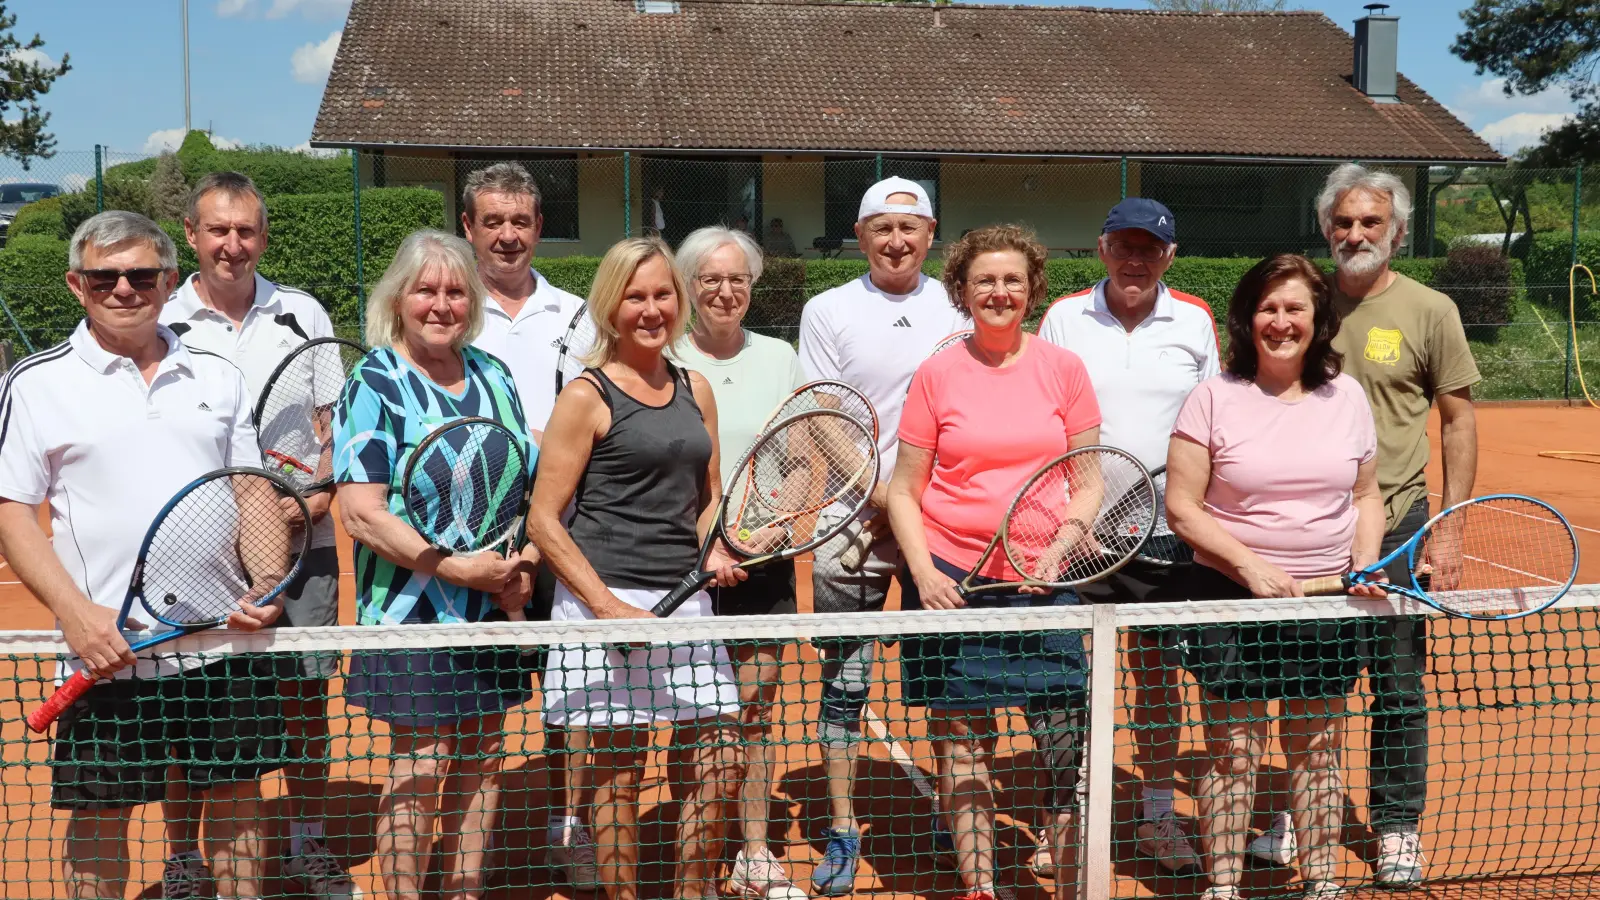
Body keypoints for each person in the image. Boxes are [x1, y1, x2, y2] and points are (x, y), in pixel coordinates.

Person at [0, 211, 283, 900]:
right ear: (77, 285)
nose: (124, 288)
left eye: (141, 275)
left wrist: (268, 580)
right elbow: (10, 510)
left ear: (165, 281)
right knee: (100, 816)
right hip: (107, 652)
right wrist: (75, 616)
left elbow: (249, 487)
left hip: (221, 643)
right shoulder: (38, 384)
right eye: (106, 276)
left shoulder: (217, 376)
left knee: (239, 804)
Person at [1242, 163, 1480, 885]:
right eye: (1343, 222)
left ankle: (1397, 825)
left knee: (1398, 684)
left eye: (1370, 222)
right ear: (1326, 229)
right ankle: (1298, 810)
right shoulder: (1304, 303)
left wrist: (1451, 527)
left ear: (1397, 232)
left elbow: (1459, 420)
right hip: (1310, 526)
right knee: (1307, 678)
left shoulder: (1430, 309)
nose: (1355, 234)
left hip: (1400, 521)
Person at [158, 170, 356, 900]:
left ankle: (307, 843)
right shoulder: (163, 317)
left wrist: (306, 507)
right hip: (200, 552)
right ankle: (184, 858)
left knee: (305, 700)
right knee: (191, 706)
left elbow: (335, 431)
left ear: (263, 238)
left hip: (305, 542)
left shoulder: (303, 312)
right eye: (218, 230)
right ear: (192, 236)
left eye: (246, 231)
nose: (232, 245)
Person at [886, 225, 1100, 900]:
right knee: (964, 747)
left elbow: (1089, 480)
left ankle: (1064, 887)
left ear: (1033, 288)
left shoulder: (1063, 370)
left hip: (1047, 584)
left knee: (1066, 750)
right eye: (985, 281)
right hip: (954, 580)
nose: (1000, 292)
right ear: (962, 290)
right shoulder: (937, 372)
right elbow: (905, 488)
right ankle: (980, 885)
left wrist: (1059, 550)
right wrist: (923, 573)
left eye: (1013, 280)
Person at [527, 237, 745, 900]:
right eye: (635, 296)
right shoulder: (586, 396)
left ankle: (687, 890)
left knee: (722, 757)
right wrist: (605, 605)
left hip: (684, 602)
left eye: (661, 295)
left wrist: (721, 546)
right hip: (604, 597)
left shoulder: (695, 387)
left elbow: (705, 500)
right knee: (617, 774)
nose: (651, 309)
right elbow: (544, 519)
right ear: (610, 305)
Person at [1165, 254, 1387, 900]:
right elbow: (1182, 506)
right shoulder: (1213, 397)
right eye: (1268, 308)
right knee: (1233, 749)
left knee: (1317, 748)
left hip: (1324, 602)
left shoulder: (1346, 396)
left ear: (1318, 321)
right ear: (1247, 318)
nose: (1281, 321)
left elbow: (1367, 495)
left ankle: (1322, 881)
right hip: (1232, 599)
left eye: (1295, 309)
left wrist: (1366, 558)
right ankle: (1224, 885)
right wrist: (1250, 566)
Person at [333, 229, 540, 900]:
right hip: (410, 613)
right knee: (421, 765)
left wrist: (523, 562)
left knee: (483, 761)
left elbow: (527, 487)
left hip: (491, 609)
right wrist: (455, 569)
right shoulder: (375, 381)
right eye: (426, 289)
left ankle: (463, 891)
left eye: (455, 291)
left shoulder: (495, 375)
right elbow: (361, 511)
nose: (441, 304)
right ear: (399, 296)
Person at [796, 176, 969, 894]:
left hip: (946, 517)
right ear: (861, 236)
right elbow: (824, 415)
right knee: (844, 684)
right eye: (881, 228)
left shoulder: (960, 304)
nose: (897, 241)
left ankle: (951, 815)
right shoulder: (827, 309)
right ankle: (840, 827)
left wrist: (918, 506)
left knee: (944, 680)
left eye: (911, 227)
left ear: (931, 235)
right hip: (852, 518)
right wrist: (880, 496)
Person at [1035, 197, 1218, 874]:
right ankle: (1071, 815)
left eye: (1149, 248)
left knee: (1156, 676)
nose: (1134, 259)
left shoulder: (1195, 320)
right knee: (1065, 675)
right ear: (1102, 248)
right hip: (1079, 535)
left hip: (1165, 535)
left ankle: (1158, 817)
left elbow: (1210, 423)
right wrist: (1066, 518)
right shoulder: (1063, 318)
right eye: (1123, 246)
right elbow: (1043, 420)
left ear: (1168, 255)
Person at [457, 161, 595, 890]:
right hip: (466, 548)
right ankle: (461, 855)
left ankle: (566, 826)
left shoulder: (580, 315)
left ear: (538, 228)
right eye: (492, 221)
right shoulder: (447, 306)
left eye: (520, 222)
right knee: (471, 706)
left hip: (562, 538)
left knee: (570, 698)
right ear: (468, 228)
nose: (507, 236)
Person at [671, 225, 809, 899]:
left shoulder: (781, 356)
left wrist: (781, 525)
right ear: (689, 286)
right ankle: (697, 851)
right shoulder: (661, 353)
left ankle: (754, 850)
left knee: (754, 709)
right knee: (690, 712)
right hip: (682, 562)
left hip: (764, 561)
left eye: (739, 280)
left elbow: (808, 453)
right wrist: (707, 542)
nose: (726, 292)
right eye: (711, 279)